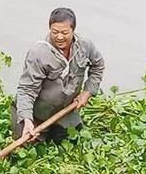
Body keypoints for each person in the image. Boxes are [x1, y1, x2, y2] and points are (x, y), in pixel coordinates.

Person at [11, 8, 105, 142]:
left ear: (73, 30)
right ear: (49, 29)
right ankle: (27, 123)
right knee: (26, 144)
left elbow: (98, 65)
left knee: (71, 140)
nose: (59, 37)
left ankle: (62, 125)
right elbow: (26, 90)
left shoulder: (85, 46)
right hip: (37, 113)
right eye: (55, 32)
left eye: (64, 33)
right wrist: (27, 119)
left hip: (65, 110)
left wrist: (87, 92)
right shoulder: (38, 53)